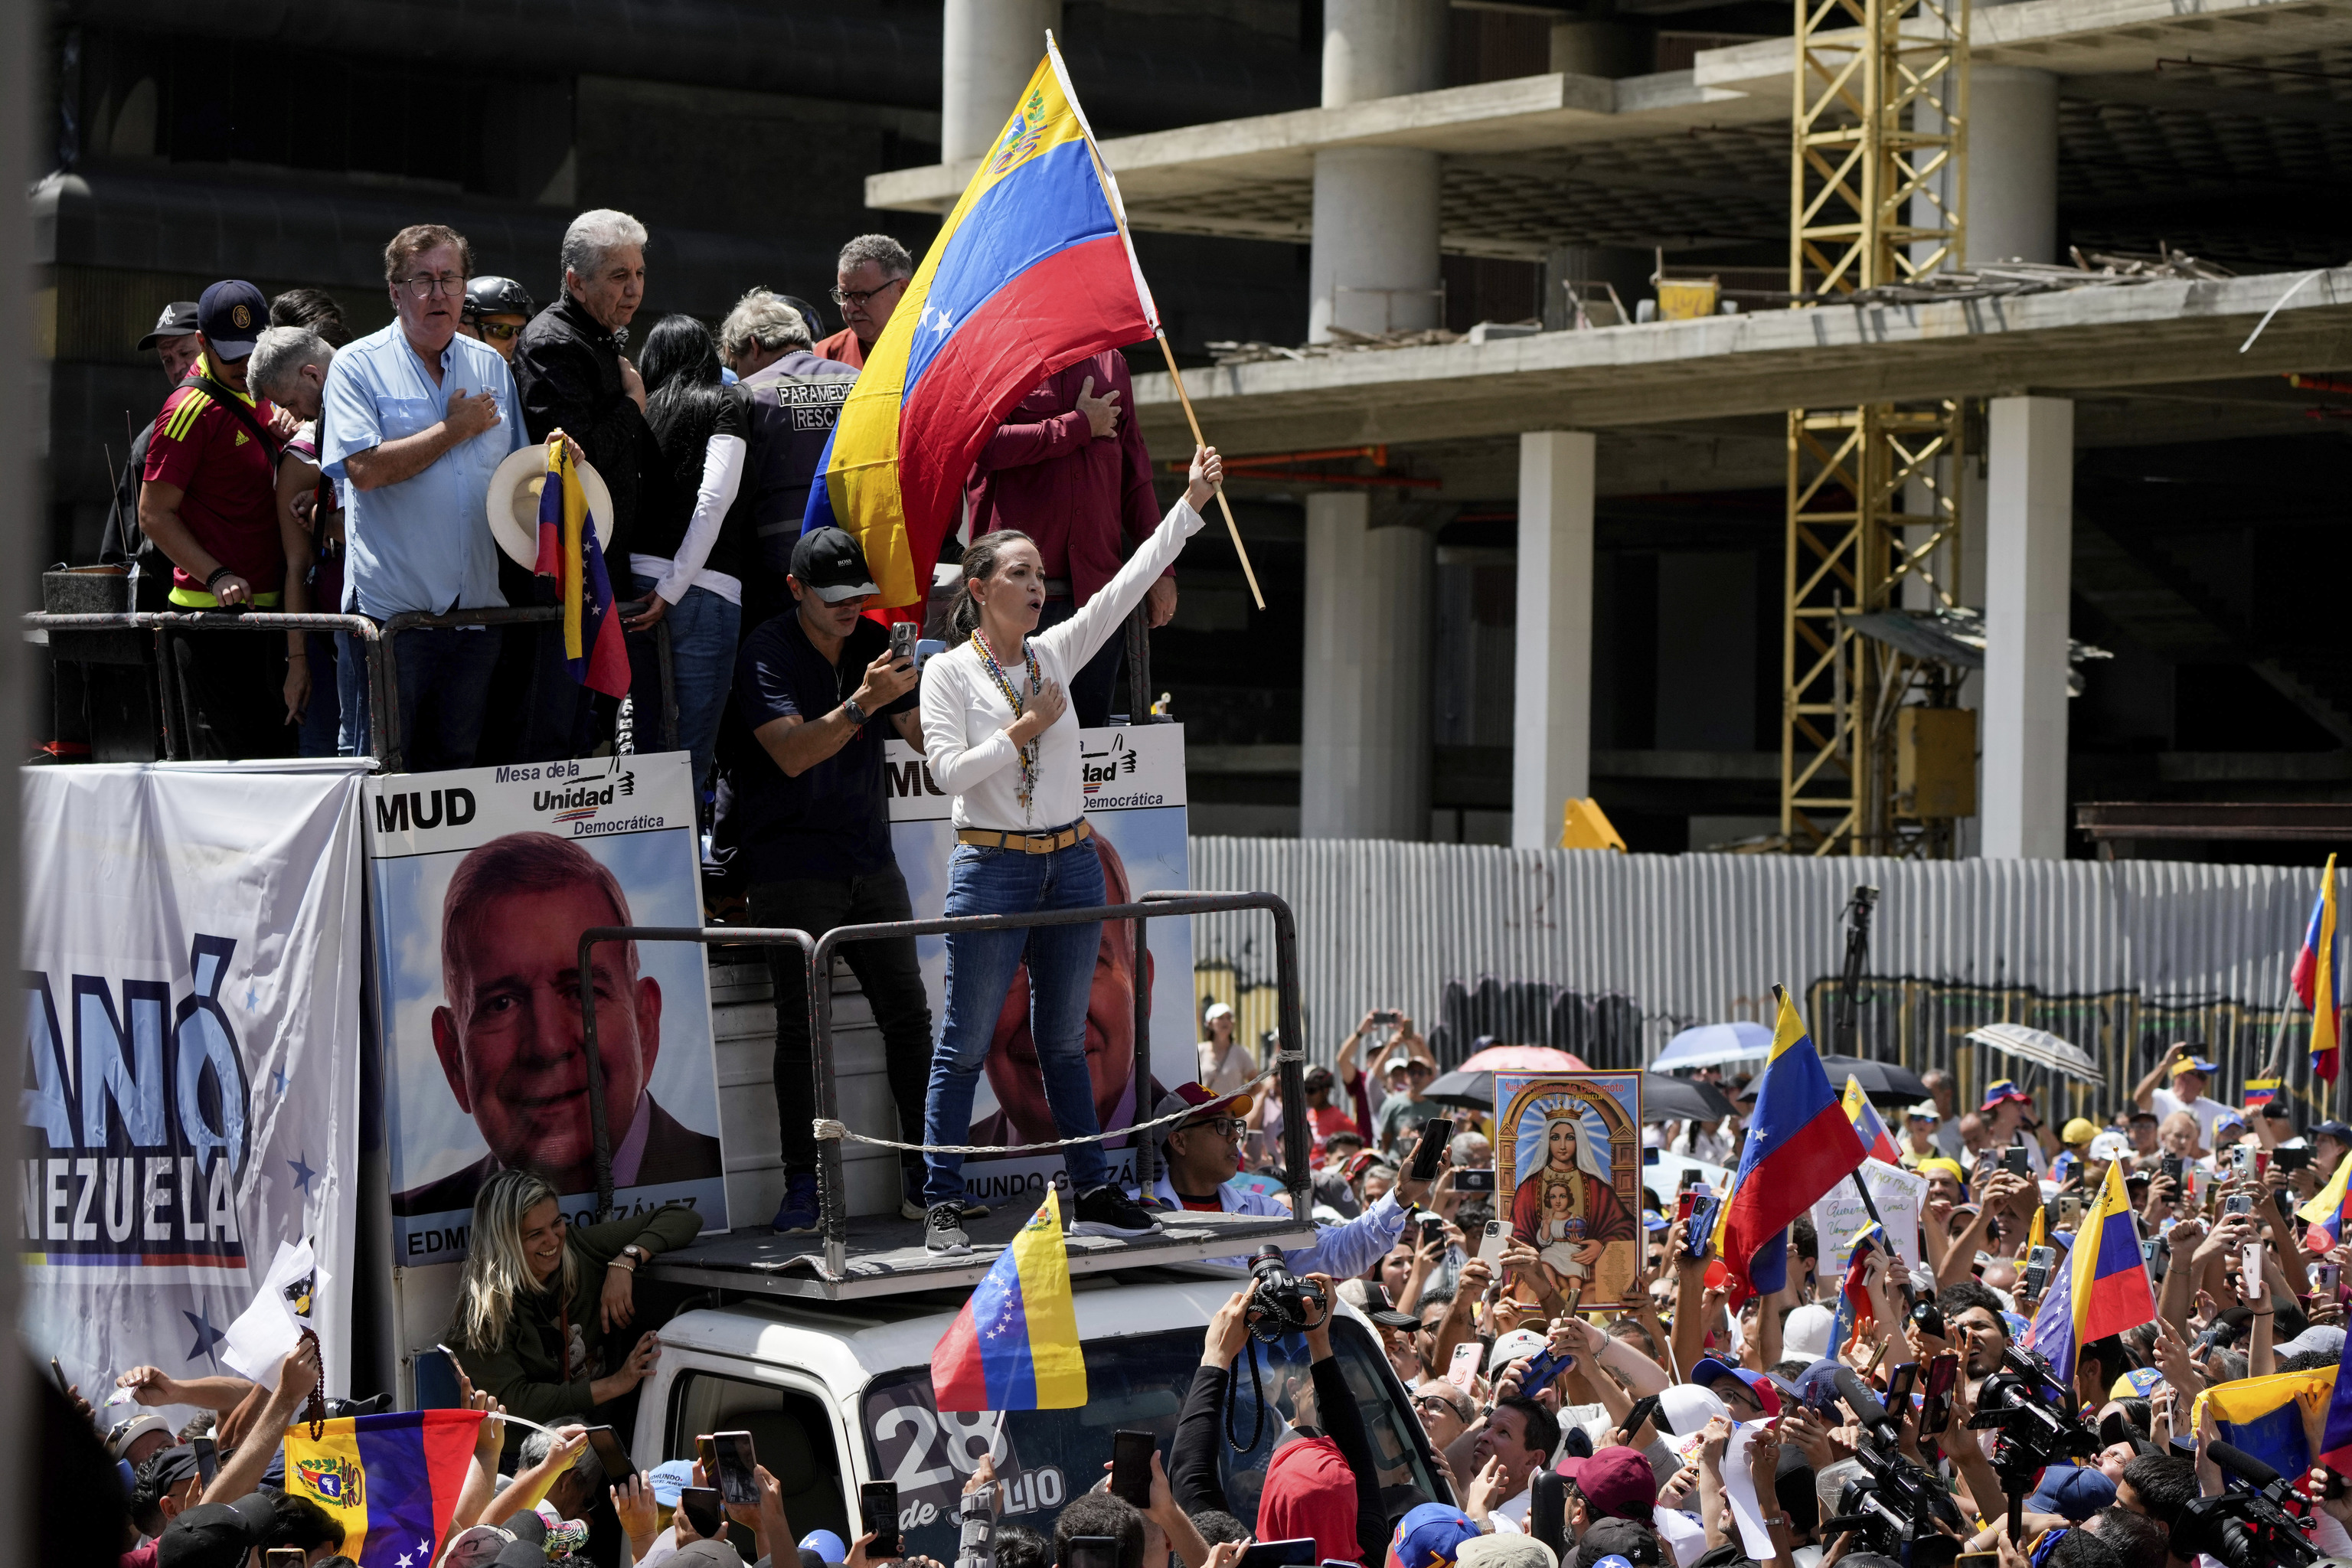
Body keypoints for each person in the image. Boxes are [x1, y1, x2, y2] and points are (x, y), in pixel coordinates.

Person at [911, 442, 1225, 1253]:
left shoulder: (1052, 652)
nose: (1037, 584)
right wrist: (1026, 729)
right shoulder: (948, 673)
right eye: (1019, 572)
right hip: (993, 865)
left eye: (1040, 573)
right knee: (965, 1040)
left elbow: (1123, 588)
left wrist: (1188, 503)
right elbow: (946, 771)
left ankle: (1092, 1185)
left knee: (1060, 1037)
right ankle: (941, 1196)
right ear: (978, 589)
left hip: (1071, 861)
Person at [730, 526, 936, 1233]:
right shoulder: (766, 649)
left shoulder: (875, 643)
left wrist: (947, 698)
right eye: (836, 597)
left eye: (859, 595)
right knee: (803, 1033)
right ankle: (805, 1185)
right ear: (796, 591)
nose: (851, 609)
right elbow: (790, 753)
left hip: (870, 861)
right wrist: (863, 705)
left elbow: (916, 736)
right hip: (791, 870)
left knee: (910, 1018)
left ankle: (925, 1174)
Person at [393, 831, 724, 1217]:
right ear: (454, 1058)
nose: (548, 1044)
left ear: (644, 1025)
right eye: (501, 1004)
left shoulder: (713, 1181)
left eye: (582, 992)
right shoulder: (410, 1219)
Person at [319, 224, 524, 770]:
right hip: (393, 621)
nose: (439, 294)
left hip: (476, 617)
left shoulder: (492, 369)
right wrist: (452, 430)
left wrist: (556, 462)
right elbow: (361, 469)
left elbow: (516, 479)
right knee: (379, 772)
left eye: (450, 279)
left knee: (457, 777)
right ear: (395, 291)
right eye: (423, 280)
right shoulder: (357, 365)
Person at [136, 279, 309, 759]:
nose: (241, 366)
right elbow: (153, 514)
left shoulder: (266, 389)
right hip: (213, 622)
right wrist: (215, 574)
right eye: (229, 354)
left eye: (250, 352)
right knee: (228, 778)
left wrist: (294, 434)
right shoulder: (186, 410)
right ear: (204, 344)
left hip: (278, 613)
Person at [511, 209, 660, 760]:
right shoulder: (554, 341)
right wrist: (632, 406)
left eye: (640, 274)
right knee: (552, 729)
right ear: (577, 281)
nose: (634, 289)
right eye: (619, 276)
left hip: (603, 566)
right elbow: (574, 457)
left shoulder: (601, 337)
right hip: (568, 571)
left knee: (586, 728)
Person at [965, 349, 1176, 727]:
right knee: (1010, 742)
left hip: (1094, 600)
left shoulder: (1112, 363)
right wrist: (1077, 426)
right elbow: (982, 444)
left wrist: (1162, 569)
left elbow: (1135, 474)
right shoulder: (997, 351)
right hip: (1012, 603)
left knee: (1088, 745)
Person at [444, 1167, 701, 1439]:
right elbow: (514, 1403)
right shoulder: (483, 1313)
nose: (553, 1240)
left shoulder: (579, 1250)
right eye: (535, 1234)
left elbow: (683, 1218)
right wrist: (615, 1384)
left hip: (599, 1443)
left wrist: (625, 1262)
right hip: (527, 1460)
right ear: (506, 1242)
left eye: (557, 1223)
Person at [622, 315, 754, 801]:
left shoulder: (639, 411)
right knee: (690, 758)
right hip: (704, 590)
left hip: (634, 590)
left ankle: (640, 867)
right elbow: (715, 498)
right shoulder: (726, 401)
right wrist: (673, 586)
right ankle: (678, 873)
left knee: (645, 751)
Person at [1146, 1080, 1422, 1275]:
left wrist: (1401, 1197)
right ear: (1179, 1142)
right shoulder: (1138, 1217)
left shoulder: (1261, 1213)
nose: (1234, 1136)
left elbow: (1339, 1251)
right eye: (1220, 1125)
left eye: (1235, 1124)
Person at [718, 289, 858, 626]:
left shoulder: (747, 393)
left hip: (777, 572)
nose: (739, 374)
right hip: (856, 564)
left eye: (737, 365)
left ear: (753, 346)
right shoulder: (859, 382)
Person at [248, 325, 349, 757]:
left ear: (313, 375)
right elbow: (297, 566)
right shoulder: (302, 455)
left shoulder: (384, 414)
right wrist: (299, 663)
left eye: (289, 403)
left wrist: (329, 513)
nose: (292, 416)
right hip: (332, 637)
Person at [815, 234, 913, 371]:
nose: (849, 308)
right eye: (843, 295)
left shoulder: (937, 350)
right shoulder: (824, 356)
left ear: (901, 290)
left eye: (862, 296)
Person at [2133, 1045, 2234, 1152]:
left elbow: (2240, 1115)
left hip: (2197, 1167)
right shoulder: (2161, 1098)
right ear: (2184, 1077)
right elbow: (2140, 1098)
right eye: (2201, 1077)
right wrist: (2165, 1065)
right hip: (2166, 1163)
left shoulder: (2207, 1105)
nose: (2206, 1083)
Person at [461, 276, 536, 362]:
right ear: (462, 332)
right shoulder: (444, 375)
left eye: (523, 333)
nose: (515, 346)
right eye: (502, 331)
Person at [1197, 1001, 1253, 1096]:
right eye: (1220, 1018)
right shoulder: (1198, 1051)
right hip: (1205, 1110)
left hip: (1231, 1110)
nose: (1225, 1021)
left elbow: (1257, 1086)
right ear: (1209, 1023)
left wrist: (1240, 1102)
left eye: (1229, 1018)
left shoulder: (1241, 1052)